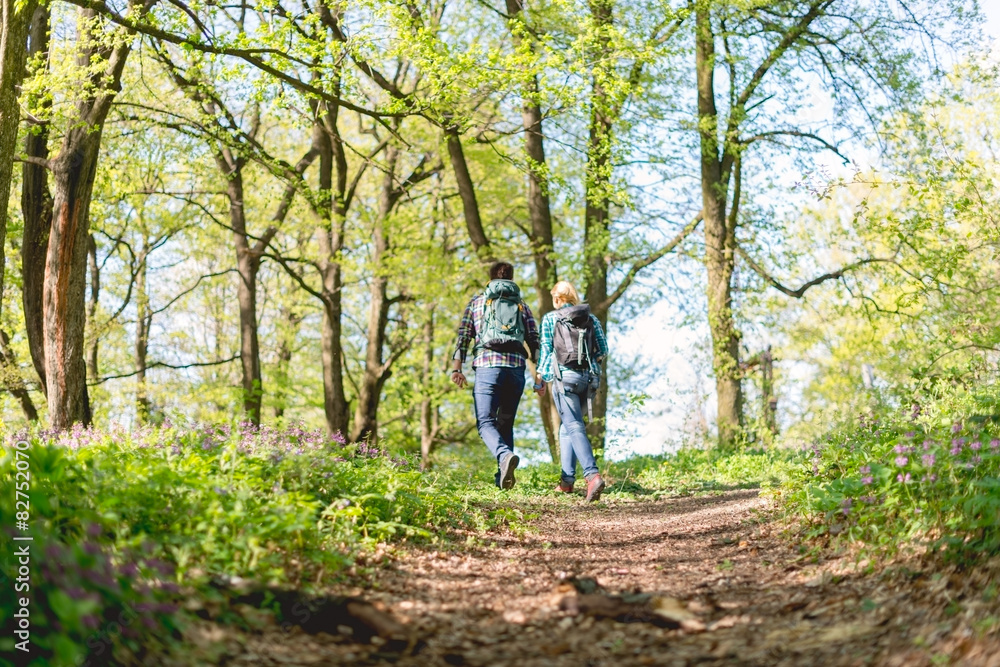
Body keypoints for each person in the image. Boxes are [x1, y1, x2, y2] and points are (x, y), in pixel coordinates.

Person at [451, 261, 544, 489]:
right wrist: (538, 378)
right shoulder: (522, 305)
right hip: (516, 370)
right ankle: (502, 482)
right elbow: (535, 340)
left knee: (485, 422)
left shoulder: (477, 302)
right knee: (505, 423)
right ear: (511, 279)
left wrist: (457, 369)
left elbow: (463, 337)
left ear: (490, 278)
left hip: (487, 367)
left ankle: (503, 457)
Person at [538, 280, 609, 502]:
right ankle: (567, 482)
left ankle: (592, 476)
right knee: (567, 427)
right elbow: (603, 349)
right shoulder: (591, 319)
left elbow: (546, 350)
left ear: (557, 298)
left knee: (573, 425)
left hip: (563, 379)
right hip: (587, 380)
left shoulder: (551, 318)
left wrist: (540, 378)